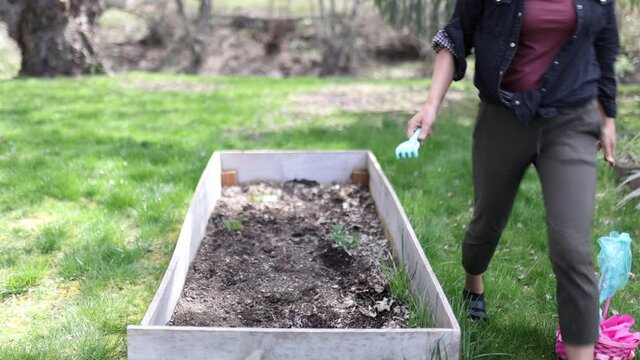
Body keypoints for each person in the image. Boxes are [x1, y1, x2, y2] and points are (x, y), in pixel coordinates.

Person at [406, 0, 618, 358]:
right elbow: (457, 36)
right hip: (502, 118)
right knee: (486, 224)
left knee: (572, 249)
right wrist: (430, 105)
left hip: (571, 122)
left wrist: (607, 119)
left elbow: (604, 46)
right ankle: (474, 281)